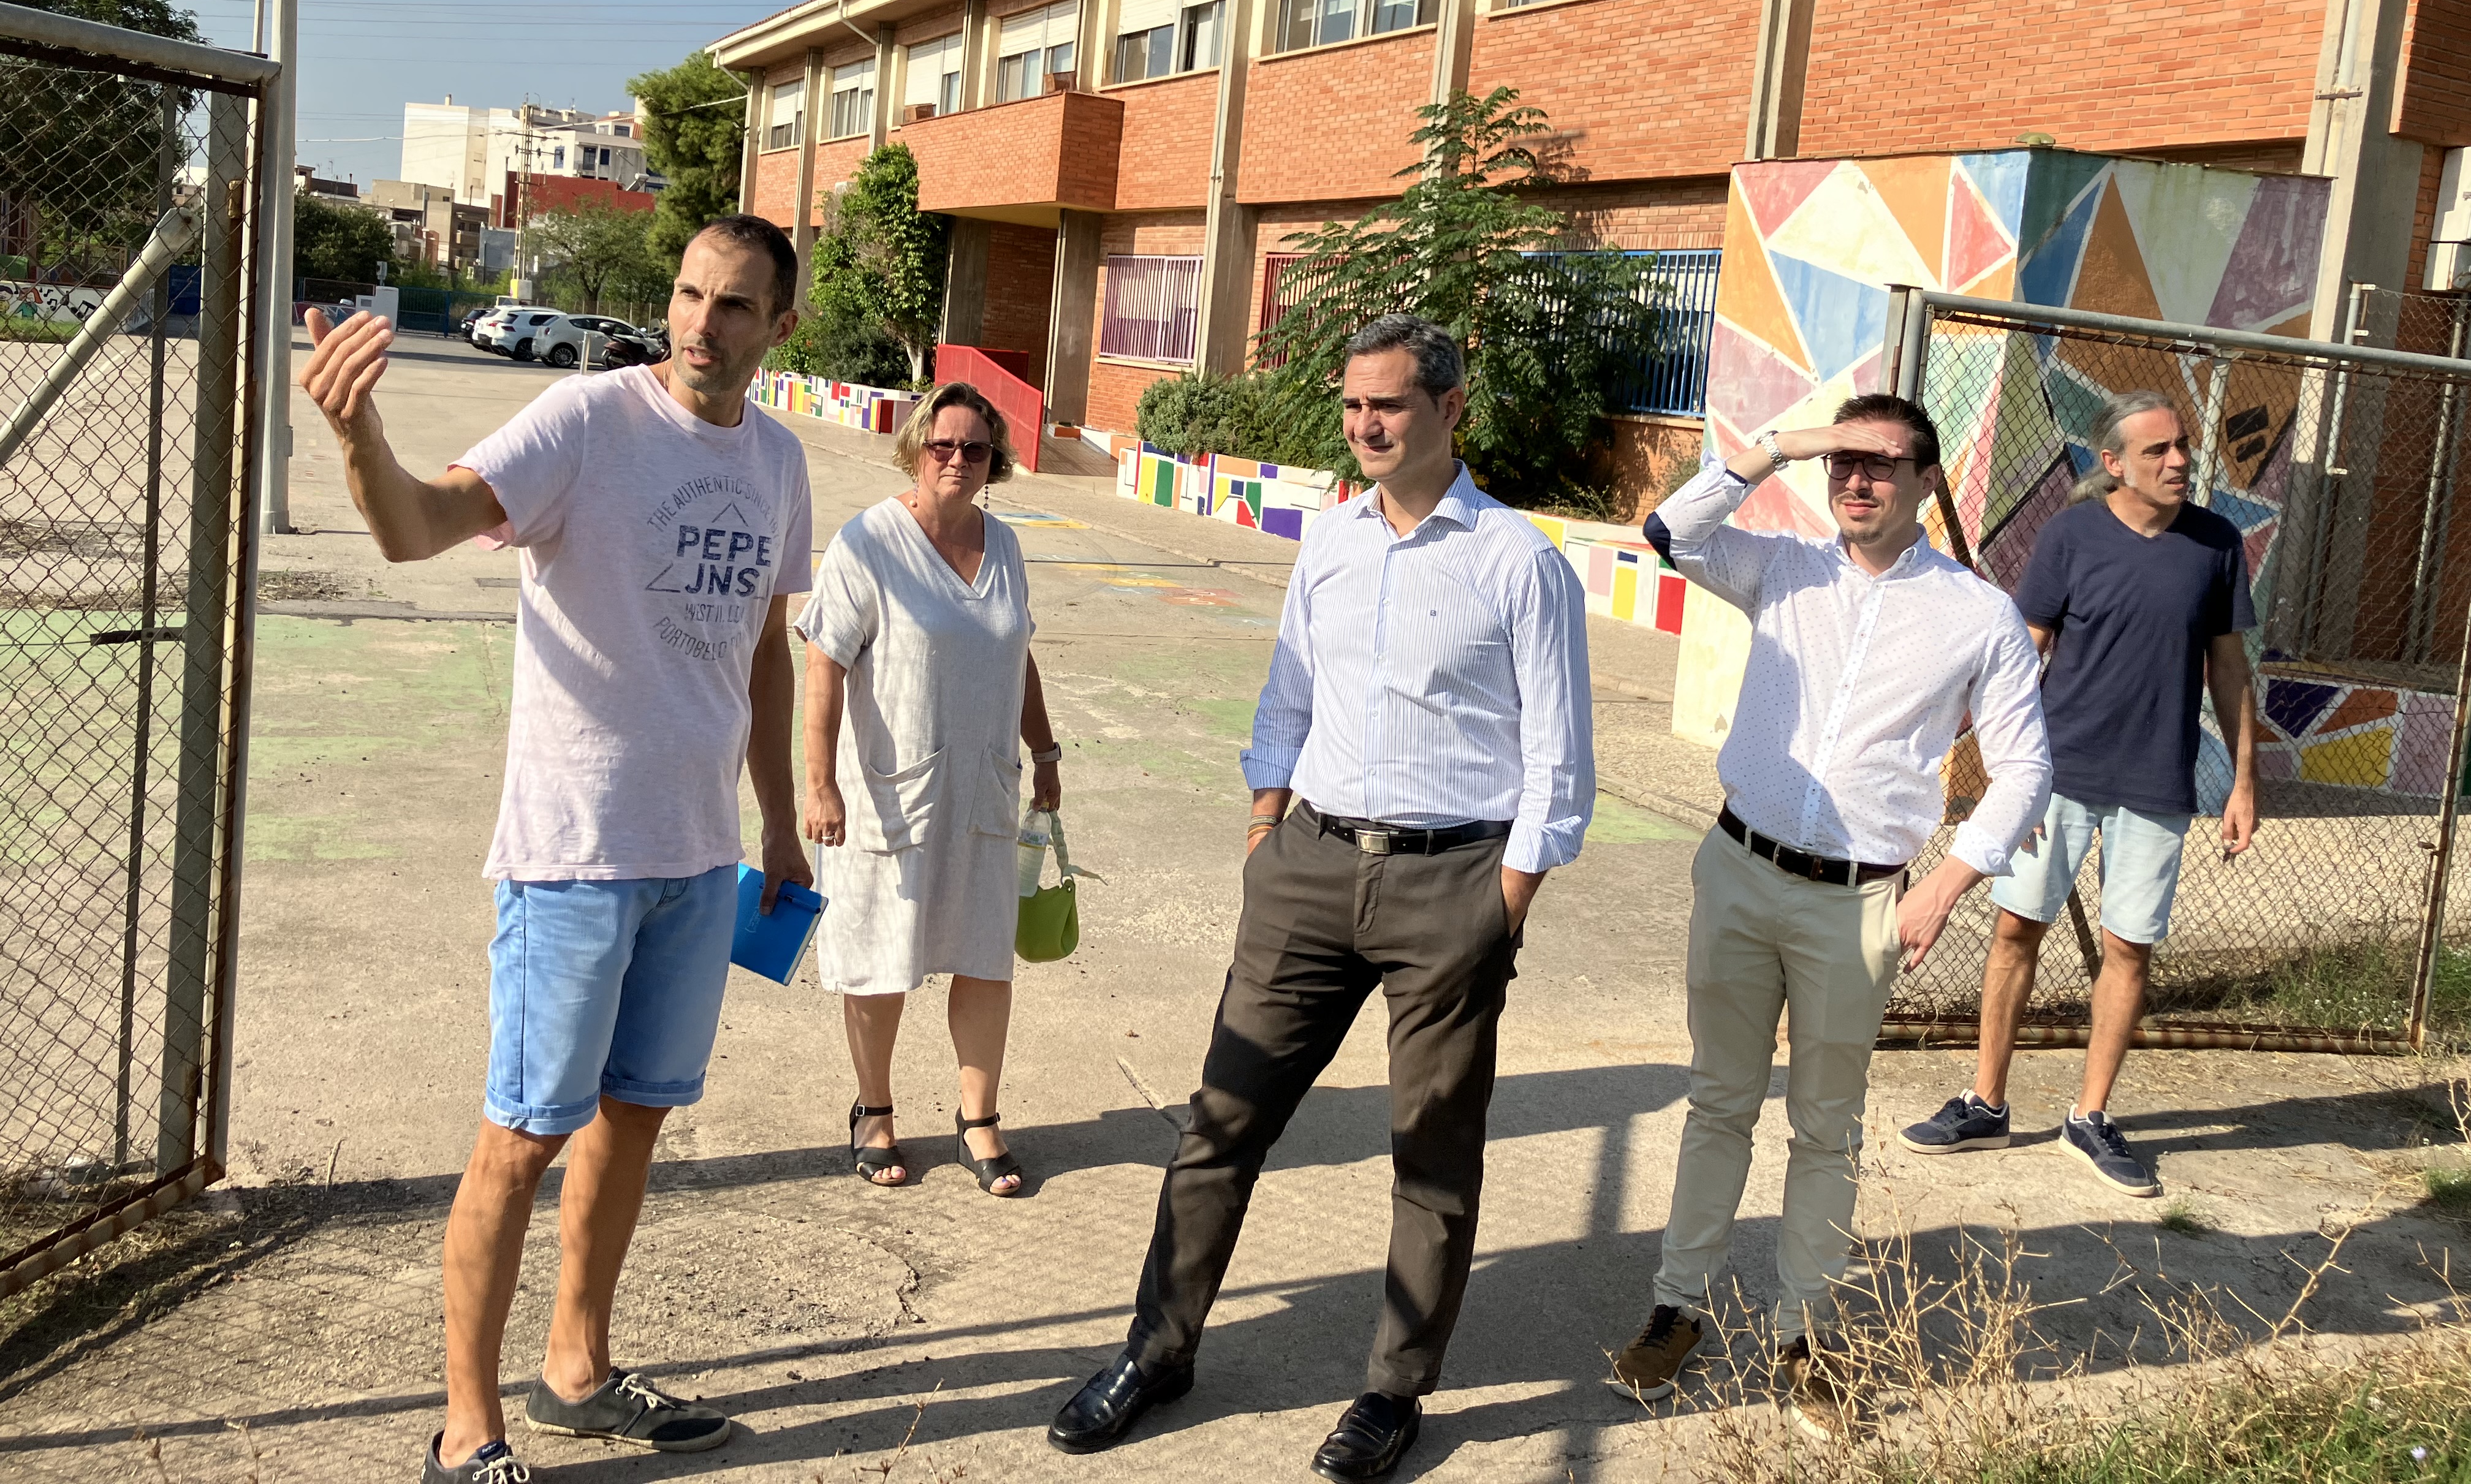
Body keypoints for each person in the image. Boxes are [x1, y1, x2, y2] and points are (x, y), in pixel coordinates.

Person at [298, 214, 814, 1484]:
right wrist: (361, 437)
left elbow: (759, 647)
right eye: (690, 293)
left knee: (637, 1122)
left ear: (779, 328)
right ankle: (465, 1428)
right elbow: (418, 526)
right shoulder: (587, 422)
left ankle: (576, 1371)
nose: (703, 322)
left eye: (736, 304)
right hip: (575, 851)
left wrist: (784, 823)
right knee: (522, 1138)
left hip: (699, 860)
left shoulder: (782, 460)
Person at [1048, 316, 1594, 1483]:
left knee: (1431, 1155)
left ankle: (1395, 1392)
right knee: (1221, 1123)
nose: (1365, 427)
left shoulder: (1518, 561)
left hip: (1453, 880)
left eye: (1388, 405)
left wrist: (1505, 900)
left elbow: (1560, 754)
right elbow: (1288, 687)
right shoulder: (1330, 540)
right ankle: (1158, 1352)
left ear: (1453, 407)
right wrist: (1264, 827)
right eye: (1353, 406)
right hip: (1306, 867)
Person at [1610, 397, 2050, 1442]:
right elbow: (1671, 534)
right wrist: (1777, 449)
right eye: (1842, 462)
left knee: (1826, 1126)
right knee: (1718, 1102)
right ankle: (1679, 1308)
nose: (1857, 481)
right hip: (1739, 868)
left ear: (1926, 481)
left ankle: (1802, 1333)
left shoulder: (1976, 615)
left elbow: (2027, 766)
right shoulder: (1782, 569)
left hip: (1860, 902)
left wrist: (1946, 886)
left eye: (1882, 465)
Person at [1902, 392, 2257, 1197]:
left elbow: (2229, 670)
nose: (2178, 461)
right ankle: (1986, 1103)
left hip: (2157, 783)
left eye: (2183, 448)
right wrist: (2002, 773)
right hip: (2056, 776)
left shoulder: (2216, 544)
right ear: (2115, 463)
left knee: (2130, 948)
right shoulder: (2071, 536)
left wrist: (2242, 780)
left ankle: (2090, 1119)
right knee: (2014, 932)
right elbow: (2023, 653)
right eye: (2159, 450)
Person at [797, 380, 1064, 1198]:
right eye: (941, 445)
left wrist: (1045, 751)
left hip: (983, 787)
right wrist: (819, 783)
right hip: (887, 792)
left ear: (995, 462)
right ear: (914, 449)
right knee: (882, 957)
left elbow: (1016, 653)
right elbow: (824, 663)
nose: (956, 459)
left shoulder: (1007, 547)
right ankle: (873, 1110)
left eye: (974, 448)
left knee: (986, 957)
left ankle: (978, 1118)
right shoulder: (868, 544)